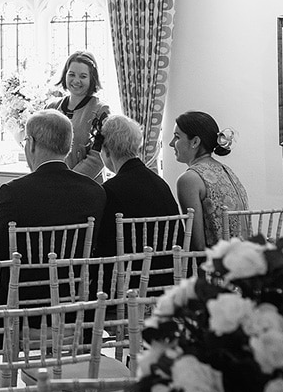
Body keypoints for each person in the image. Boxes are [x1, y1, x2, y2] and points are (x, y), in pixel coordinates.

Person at [0, 109, 106, 305]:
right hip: (74, 304)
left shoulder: (13, 192)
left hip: (21, 306)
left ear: (30, 144)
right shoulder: (94, 191)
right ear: (68, 146)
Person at [97, 115, 181, 291]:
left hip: (129, 285)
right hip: (168, 279)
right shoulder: (160, 183)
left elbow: (104, 249)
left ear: (106, 150)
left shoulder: (110, 190)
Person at [172, 110, 249, 249]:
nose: (171, 144)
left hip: (216, 265)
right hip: (244, 259)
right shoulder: (226, 170)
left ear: (195, 141)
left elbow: (197, 245)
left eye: (177, 137)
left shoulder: (189, 179)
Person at [47, 51, 110, 182]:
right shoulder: (51, 108)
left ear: (92, 79)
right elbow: (41, 148)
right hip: (53, 185)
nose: (76, 80)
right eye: (71, 74)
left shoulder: (101, 111)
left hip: (87, 187)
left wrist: (69, 181)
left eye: (83, 76)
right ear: (65, 75)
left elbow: (99, 155)